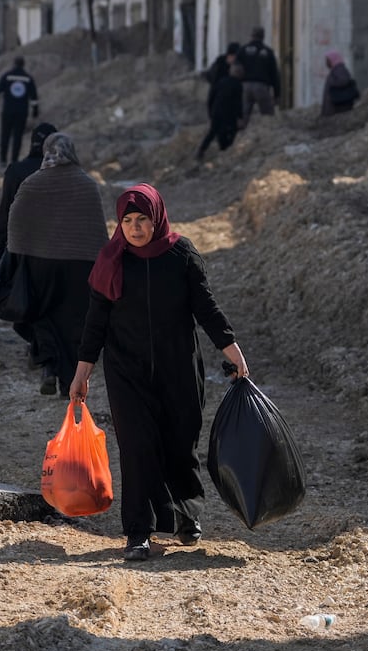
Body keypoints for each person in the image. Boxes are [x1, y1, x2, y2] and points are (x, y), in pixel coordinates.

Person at [70, 184, 249, 562]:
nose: (135, 228)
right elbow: (95, 322)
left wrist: (230, 348)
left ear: (157, 219)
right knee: (137, 449)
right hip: (126, 372)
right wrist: (82, 371)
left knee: (180, 444)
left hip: (179, 368)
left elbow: (206, 307)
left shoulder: (181, 254)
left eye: (142, 220)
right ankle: (138, 531)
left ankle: (185, 513)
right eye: (127, 221)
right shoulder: (111, 260)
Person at [4, 133, 109, 396]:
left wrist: (18, 253)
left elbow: (15, 219)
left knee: (44, 318)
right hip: (79, 265)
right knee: (74, 322)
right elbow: (97, 229)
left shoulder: (33, 183)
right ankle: (69, 381)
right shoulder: (86, 184)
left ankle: (49, 369)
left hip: (41, 264)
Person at [0, 121, 58, 268]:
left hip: (21, 252)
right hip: (57, 254)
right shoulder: (65, 173)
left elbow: (5, 213)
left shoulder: (16, 171)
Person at [0, 56, 40, 165]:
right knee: (18, 136)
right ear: (23, 65)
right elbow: (34, 97)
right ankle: (14, 160)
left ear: (14, 64)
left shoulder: (7, 76)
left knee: (5, 135)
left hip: (8, 110)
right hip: (22, 112)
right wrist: (35, 111)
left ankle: (3, 160)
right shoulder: (28, 78)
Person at [196, 61, 244, 161]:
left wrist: (210, 111)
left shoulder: (221, 81)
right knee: (231, 131)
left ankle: (201, 150)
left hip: (216, 111)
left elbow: (211, 97)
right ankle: (225, 150)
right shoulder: (238, 85)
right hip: (229, 113)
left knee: (213, 132)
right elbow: (238, 102)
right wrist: (240, 117)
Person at [238, 27, 280, 124]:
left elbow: (235, 70)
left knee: (242, 116)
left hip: (245, 86)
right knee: (268, 117)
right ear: (263, 37)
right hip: (261, 87)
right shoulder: (268, 52)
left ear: (251, 36)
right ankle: (268, 135)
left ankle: (238, 136)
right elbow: (274, 75)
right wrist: (277, 94)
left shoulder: (242, 50)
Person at [320, 50, 360, 116]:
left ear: (333, 60)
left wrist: (332, 83)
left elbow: (344, 81)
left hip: (337, 108)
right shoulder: (336, 69)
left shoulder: (339, 69)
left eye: (328, 60)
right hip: (334, 108)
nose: (326, 62)